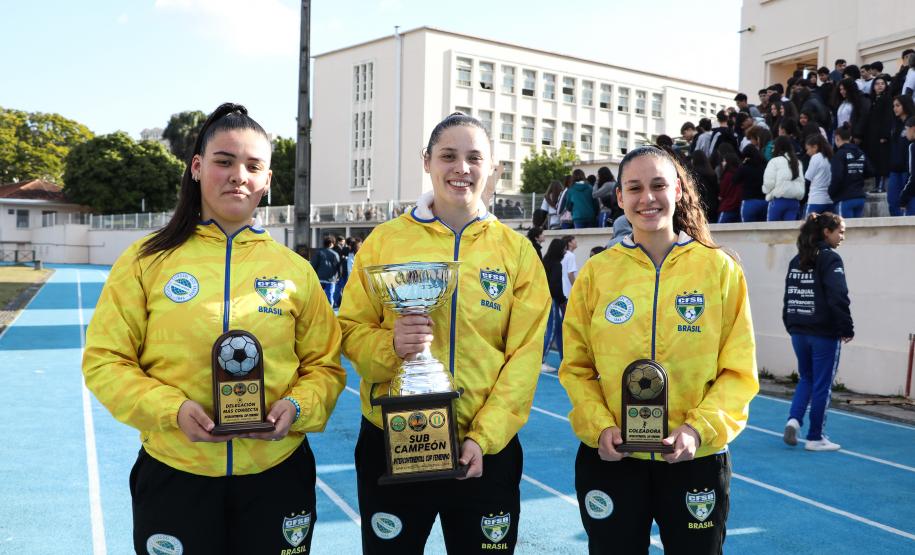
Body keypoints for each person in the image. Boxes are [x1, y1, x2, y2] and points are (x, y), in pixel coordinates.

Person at [81, 103, 346, 554]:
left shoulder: (295, 272)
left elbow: (325, 366)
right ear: (197, 167)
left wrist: (297, 407)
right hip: (176, 473)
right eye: (224, 161)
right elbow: (106, 361)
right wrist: (172, 410)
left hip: (277, 474)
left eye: (253, 166)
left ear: (267, 180)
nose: (238, 176)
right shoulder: (146, 261)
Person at [337, 112, 550, 554]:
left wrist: (484, 436)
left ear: (493, 168)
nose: (461, 168)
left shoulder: (516, 252)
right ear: (427, 161)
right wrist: (391, 346)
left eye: (475, 158)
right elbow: (350, 329)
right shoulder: (384, 241)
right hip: (395, 437)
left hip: (484, 450)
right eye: (448, 156)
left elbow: (525, 357)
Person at [559, 145, 757, 553]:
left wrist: (697, 430)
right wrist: (600, 426)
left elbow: (738, 371)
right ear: (619, 198)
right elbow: (576, 367)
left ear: (678, 191)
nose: (647, 198)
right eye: (634, 188)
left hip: (694, 458)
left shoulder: (719, 269)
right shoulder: (597, 273)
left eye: (658, 185)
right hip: (613, 457)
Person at [783, 212, 852, 452]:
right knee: (822, 384)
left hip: (798, 331)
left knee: (807, 378)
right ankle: (815, 437)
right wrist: (846, 327)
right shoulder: (830, 258)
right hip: (822, 333)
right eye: (840, 232)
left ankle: (794, 420)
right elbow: (838, 295)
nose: (842, 237)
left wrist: (791, 324)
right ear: (826, 232)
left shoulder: (798, 258)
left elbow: (789, 295)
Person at [542, 236, 572, 372]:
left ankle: (565, 360)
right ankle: (541, 360)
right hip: (552, 300)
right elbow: (555, 286)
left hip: (547, 298)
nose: (565, 252)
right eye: (564, 249)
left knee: (559, 329)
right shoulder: (556, 265)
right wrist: (562, 300)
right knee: (552, 329)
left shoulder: (545, 262)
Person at [829, 127, 873, 218]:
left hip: (844, 198)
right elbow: (869, 171)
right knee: (857, 226)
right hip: (859, 197)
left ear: (837, 137)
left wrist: (831, 193)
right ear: (850, 138)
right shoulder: (860, 152)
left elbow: (837, 177)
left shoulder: (839, 155)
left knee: (843, 226)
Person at [863, 74, 894, 192]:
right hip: (872, 135)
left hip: (881, 136)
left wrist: (884, 135)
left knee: (882, 161)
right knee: (874, 160)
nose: (880, 86)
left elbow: (888, 117)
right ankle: (876, 185)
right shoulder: (872, 100)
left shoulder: (887, 99)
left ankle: (881, 186)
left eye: (882, 84)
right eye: (877, 84)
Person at [763, 136, 805, 221]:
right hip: (794, 202)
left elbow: (769, 183)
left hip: (778, 201)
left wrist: (766, 191)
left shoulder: (774, 161)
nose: (772, 150)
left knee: (772, 229)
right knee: (790, 229)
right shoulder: (798, 162)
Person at [888, 95, 915, 215]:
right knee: (892, 201)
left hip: (907, 169)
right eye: (894, 106)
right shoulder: (895, 123)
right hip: (895, 168)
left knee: (908, 202)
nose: (895, 108)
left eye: (898, 105)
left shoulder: (912, 123)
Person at [735, 144, 768, 222]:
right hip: (764, 201)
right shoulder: (765, 165)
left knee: (747, 227)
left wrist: (742, 164)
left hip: (749, 201)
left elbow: (735, 180)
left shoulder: (744, 167)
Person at [804, 134, 834, 215]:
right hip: (829, 201)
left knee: (809, 223)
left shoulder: (816, 157)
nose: (807, 152)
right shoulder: (831, 157)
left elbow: (807, 178)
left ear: (815, 147)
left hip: (816, 200)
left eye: (808, 149)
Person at [311, 234, 342, 304]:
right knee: (330, 296)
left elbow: (314, 265)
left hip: (320, 278)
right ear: (331, 244)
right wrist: (339, 276)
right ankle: (329, 309)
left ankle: (319, 309)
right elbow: (339, 267)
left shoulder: (319, 253)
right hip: (331, 279)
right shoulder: (335, 254)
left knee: (319, 297)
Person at [899, 116, 915, 214]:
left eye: (906, 129)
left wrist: (904, 197)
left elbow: (913, 176)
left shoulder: (913, 146)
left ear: (913, 129)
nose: (905, 133)